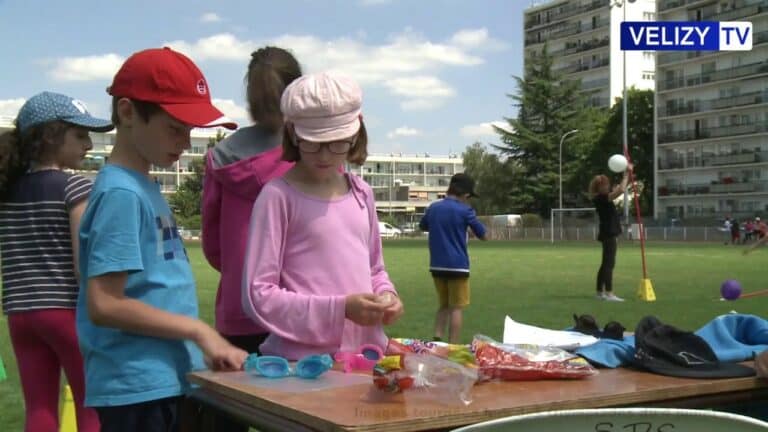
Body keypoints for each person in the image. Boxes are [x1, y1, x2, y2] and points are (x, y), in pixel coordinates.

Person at [75, 47, 248, 432]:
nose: (185, 142)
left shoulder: (143, 186)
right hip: (136, 387)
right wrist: (199, 331)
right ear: (127, 112)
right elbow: (104, 304)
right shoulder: (122, 194)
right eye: (175, 128)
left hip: (163, 379)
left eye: (188, 131)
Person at [242, 72, 404, 360]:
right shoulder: (278, 197)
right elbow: (258, 295)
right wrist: (340, 309)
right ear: (292, 133)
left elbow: (375, 270)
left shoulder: (362, 192)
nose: (325, 155)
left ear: (356, 134)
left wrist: (387, 296)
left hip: (366, 357)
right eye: (313, 142)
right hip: (303, 365)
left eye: (338, 143)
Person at [200, 45, 301, 432]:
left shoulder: (222, 156)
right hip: (298, 308)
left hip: (237, 306)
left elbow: (213, 243)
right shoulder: (310, 152)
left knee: (230, 418)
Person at [0, 91, 112, 432]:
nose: (88, 145)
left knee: (40, 409)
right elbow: (83, 266)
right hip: (65, 313)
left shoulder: (8, 189)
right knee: (91, 405)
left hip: (20, 315)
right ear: (50, 136)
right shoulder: (75, 187)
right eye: (79, 135)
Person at [419, 173, 487, 344]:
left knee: (443, 305)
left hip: (437, 266)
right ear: (465, 195)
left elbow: (423, 225)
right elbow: (483, 234)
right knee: (456, 308)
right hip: (458, 266)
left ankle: (436, 340)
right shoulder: (466, 210)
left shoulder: (433, 207)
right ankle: (453, 346)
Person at [589, 166, 631, 302]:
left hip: (607, 232)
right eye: (605, 185)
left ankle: (599, 292)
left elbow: (619, 189)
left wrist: (625, 177)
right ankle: (609, 293)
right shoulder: (601, 198)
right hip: (609, 233)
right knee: (609, 264)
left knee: (605, 263)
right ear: (599, 187)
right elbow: (621, 190)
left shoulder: (601, 198)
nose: (607, 186)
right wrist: (626, 176)